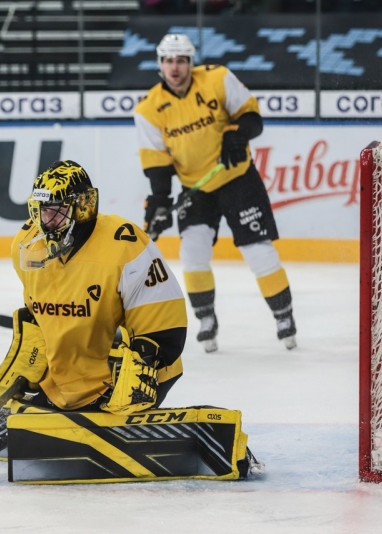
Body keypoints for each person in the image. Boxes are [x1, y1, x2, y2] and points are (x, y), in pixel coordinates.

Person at [0, 160, 188, 458]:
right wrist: (29, 358)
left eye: (56, 210)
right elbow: (40, 313)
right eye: (40, 211)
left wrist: (145, 363)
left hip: (127, 374)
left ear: (83, 207)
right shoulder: (26, 245)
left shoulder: (124, 243)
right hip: (69, 380)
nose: (45, 221)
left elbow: (164, 319)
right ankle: (70, 398)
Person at [133, 33, 297, 353]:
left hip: (238, 179)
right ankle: (206, 319)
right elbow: (157, 163)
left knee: (257, 250)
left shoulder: (218, 78)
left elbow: (251, 117)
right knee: (192, 252)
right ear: (160, 64)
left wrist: (237, 134)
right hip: (196, 188)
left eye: (181, 60)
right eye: (168, 61)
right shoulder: (148, 109)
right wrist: (160, 201)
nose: (175, 67)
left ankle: (284, 315)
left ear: (191, 62)